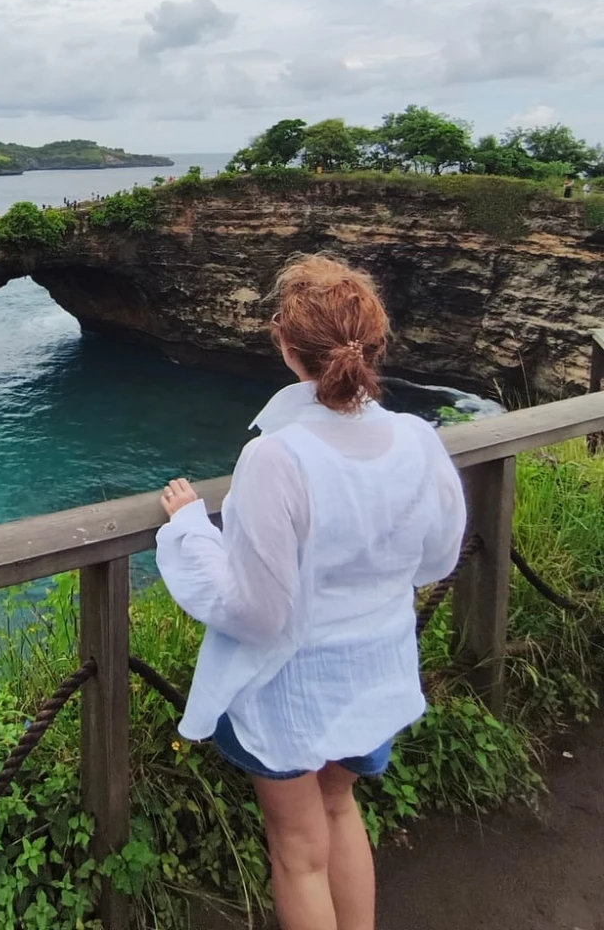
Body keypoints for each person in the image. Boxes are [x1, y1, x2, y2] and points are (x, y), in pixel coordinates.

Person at [156, 255, 466, 930]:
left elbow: (257, 610)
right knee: (339, 809)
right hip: (373, 668)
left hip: (291, 686)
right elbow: (436, 560)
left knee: (298, 852)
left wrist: (188, 529)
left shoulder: (278, 456)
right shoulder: (418, 440)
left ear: (283, 343)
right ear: (374, 341)